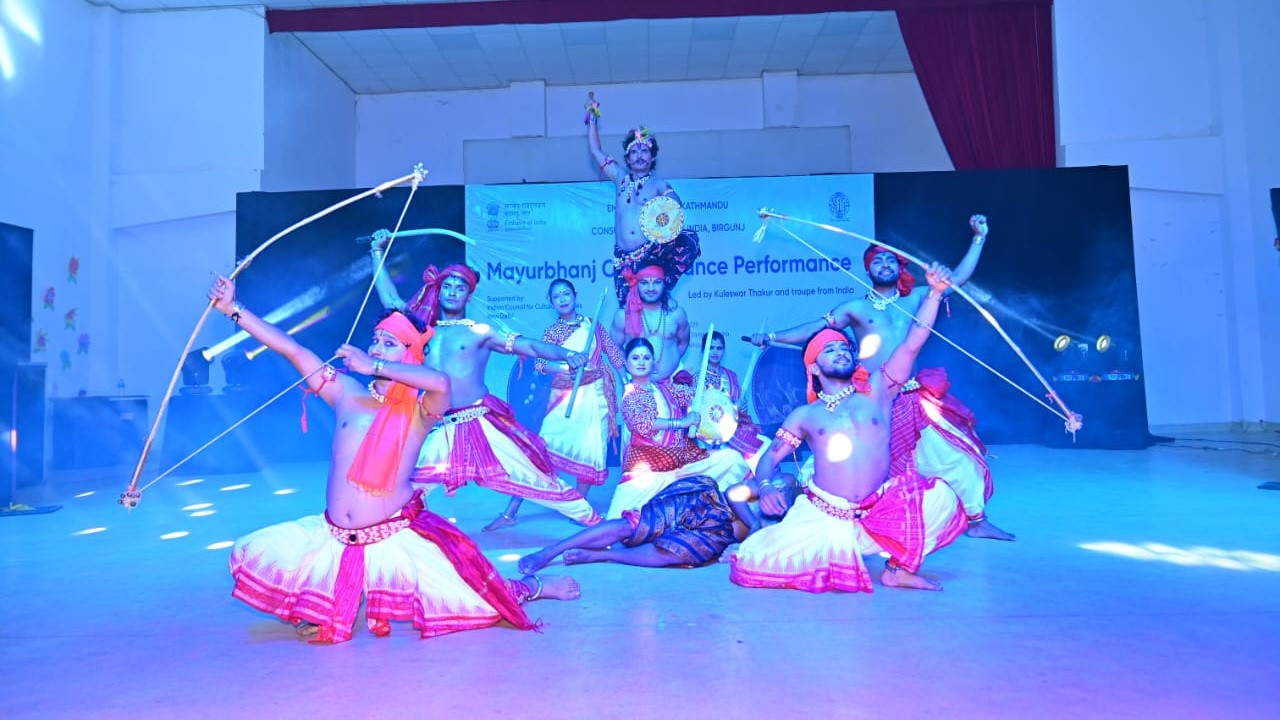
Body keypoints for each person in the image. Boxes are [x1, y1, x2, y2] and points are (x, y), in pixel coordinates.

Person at [212, 276, 578, 644]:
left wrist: (374, 367)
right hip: (334, 537)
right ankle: (327, 599)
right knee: (254, 549)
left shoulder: (421, 408)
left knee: (479, 600)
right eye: (376, 340)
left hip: (394, 538)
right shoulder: (346, 392)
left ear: (410, 354)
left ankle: (533, 585)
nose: (377, 348)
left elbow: (441, 383)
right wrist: (234, 310)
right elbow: (292, 349)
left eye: (390, 344)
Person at [751, 215, 1013, 540]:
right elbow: (813, 329)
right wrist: (773, 336)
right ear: (868, 269)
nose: (885, 264)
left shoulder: (918, 297)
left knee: (954, 454)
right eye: (878, 260)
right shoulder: (856, 307)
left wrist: (978, 238)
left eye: (891, 259)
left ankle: (975, 519)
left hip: (913, 395)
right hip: (871, 399)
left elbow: (956, 279)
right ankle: (830, 520)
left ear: (900, 268)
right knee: (855, 464)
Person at [731, 264, 970, 593]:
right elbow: (769, 459)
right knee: (753, 562)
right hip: (823, 515)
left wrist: (934, 294)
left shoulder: (879, 390)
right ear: (814, 367)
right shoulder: (804, 415)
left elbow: (913, 343)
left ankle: (898, 570)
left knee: (939, 495)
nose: (841, 352)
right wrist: (768, 487)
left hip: (878, 512)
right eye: (830, 350)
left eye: (845, 348)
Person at [370, 251, 601, 531]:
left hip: (482, 421)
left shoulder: (480, 332)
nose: (453, 293)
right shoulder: (423, 332)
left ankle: (593, 521)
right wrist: (377, 253)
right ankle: (393, 531)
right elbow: (391, 301)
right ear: (439, 290)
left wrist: (566, 354)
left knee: (536, 478)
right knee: (411, 485)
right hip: (441, 426)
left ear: (469, 296)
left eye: (461, 288)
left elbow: (529, 346)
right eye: (448, 286)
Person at [606, 338, 750, 520]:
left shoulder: (665, 389)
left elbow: (698, 396)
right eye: (635, 358)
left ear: (654, 363)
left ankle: (709, 509)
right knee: (620, 522)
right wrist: (681, 423)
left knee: (732, 459)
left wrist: (727, 401)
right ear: (627, 364)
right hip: (647, 471)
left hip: (680, 464)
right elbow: (645, 423)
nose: (641, 362)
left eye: (646, 357)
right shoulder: (630, 395)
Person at [585, 102, 700, 305]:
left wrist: (667, 210)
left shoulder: (658, 184)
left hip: (649, 256)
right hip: (623, 258)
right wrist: (592, 119)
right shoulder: (620, 177)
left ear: (652, 156)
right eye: (634, 152)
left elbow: (675, 205)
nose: (639, 156)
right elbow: (596, 150)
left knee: (653, 307)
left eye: (644, 151)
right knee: (628, 312)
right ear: (628, 159)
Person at [518, 475, 747, 573]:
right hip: (709, 505)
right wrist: (755, 526)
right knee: (637, 525)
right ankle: (551, 551)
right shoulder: (780, 484)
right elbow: (735, 492)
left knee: (680, 554)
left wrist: (744, 548)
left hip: (719, 536)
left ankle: (602, 555)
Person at [690, 330, 767, 469]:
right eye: (711, 347)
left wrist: (741, 407)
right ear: (703, 350)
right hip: (708, 432)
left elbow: (740, 408)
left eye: (719, 348)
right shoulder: (698, 378)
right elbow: (696, 409)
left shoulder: (731, 375)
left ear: (723, 351)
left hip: (735, 426)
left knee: (763, 443)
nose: (715, 352)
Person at [609, 262, 690, 382]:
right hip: (636, 385)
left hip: (672, 382)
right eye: (644, 283)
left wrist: (670, 364)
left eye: (657, 282)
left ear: (664, 284)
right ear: (636, 284)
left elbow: (683, 343)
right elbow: (614, 349)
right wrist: (627, 376)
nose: (651, 288)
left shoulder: (677, 314)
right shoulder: (623, 315)